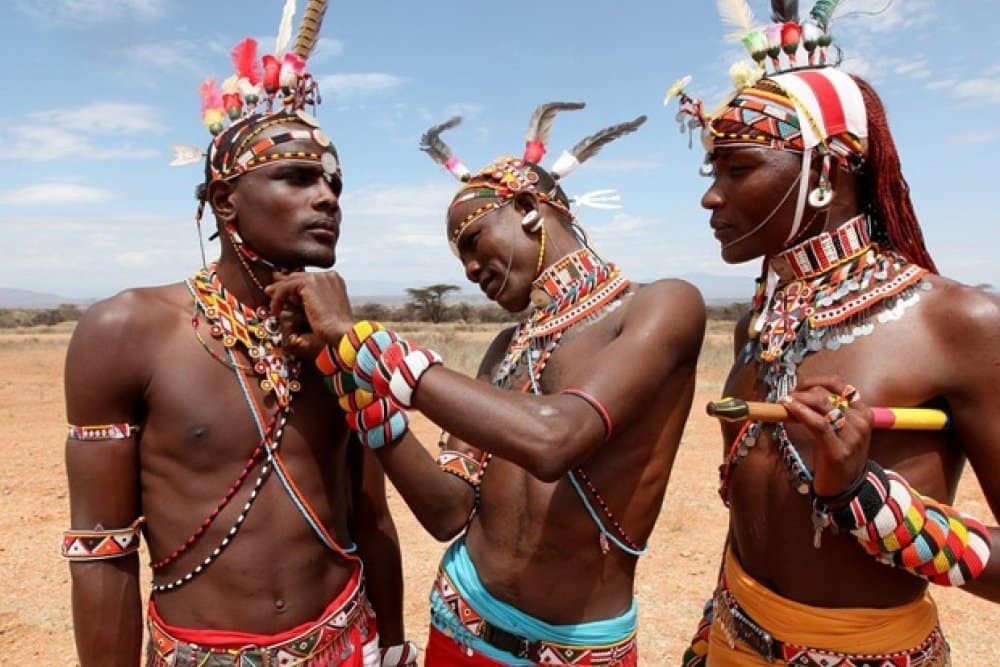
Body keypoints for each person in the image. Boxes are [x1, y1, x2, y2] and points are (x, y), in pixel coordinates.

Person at [269, 103, 707, 666]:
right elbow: (448, 511)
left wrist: (365, 342)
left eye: (473, 241)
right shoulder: (506, 349)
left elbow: (555, 439)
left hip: (576, 651)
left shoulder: (660, 305)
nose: (470, 270)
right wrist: (350, 376)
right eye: (459, 259)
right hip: (458, 623)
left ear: (527, 208)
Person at [61, 5, 418, 666]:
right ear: (225, 202)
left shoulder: (340, 337)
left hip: (348, 642)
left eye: (335, 183)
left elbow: (372, 517)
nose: (329, 197)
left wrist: (393, 645)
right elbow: (102, 552)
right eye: (298, 176)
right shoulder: (126, 331)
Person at [665, 2, 999, 665]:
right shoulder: (755, 326)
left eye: (739, 168)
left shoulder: (959, 323)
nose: (711, 196)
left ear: (826, 174)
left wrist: (865, 499)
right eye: (713, 172)